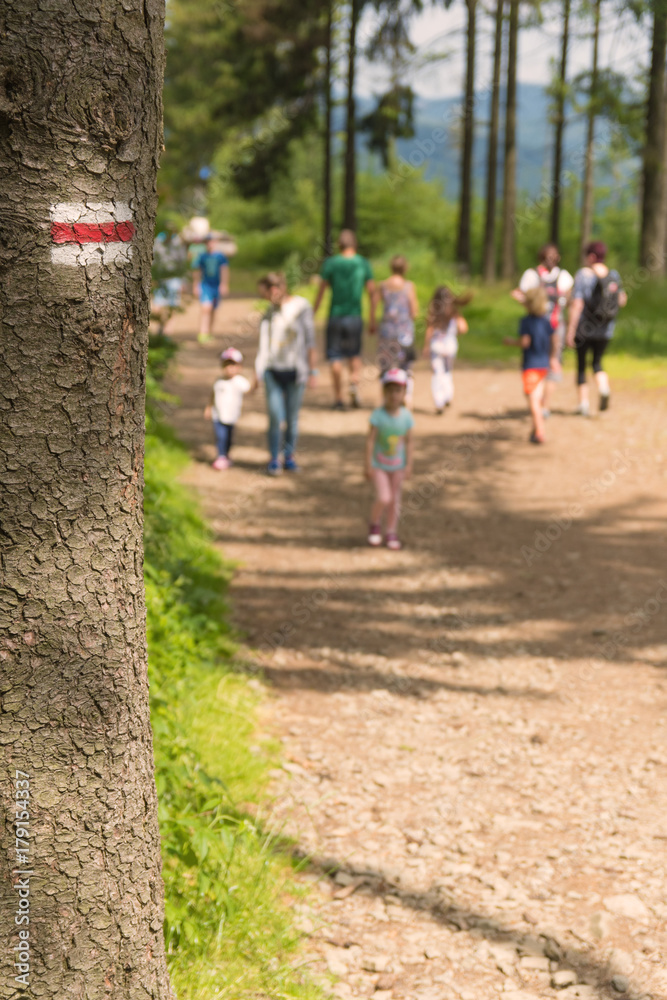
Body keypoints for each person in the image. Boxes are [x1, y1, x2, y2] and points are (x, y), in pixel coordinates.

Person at [255, 272, 318, 476]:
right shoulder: (269, 313)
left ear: (279, 288)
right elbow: (263, 346)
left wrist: (313, 370)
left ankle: (289, 456)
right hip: (273, 371)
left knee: (292, 417)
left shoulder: (302, 307)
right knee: (275, 416)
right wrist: (258, 372)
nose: (268, 297)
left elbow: (310, 340)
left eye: (268, 292)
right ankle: (274, 458)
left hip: (296, 372)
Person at [314, 229, 377, 410]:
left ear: (339, 245)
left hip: (335, 315)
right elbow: (372, 292)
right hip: (355, 316)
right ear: (354, 244)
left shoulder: (331, 263)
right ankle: (354, 383)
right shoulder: (363, 263)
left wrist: (313, 311)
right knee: (354, 354)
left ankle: (338, 399)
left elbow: (321, 290)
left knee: (335, 356)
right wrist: (372, 318)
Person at [511, 244, 573, 417]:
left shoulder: (535, 275)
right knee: (553, 362)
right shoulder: (561, 276)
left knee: (539, 363)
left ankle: (540, 402)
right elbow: (569, 300)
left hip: (538, 326)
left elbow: (519, 294)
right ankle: (543, 404)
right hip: (554, 325)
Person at [565, 241, 626, 416]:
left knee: (582, 366)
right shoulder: (613, 275)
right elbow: (621, 300)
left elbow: (577, 304)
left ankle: (583, 404)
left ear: (591, 256)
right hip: (606, 329)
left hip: (584, 328)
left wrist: (570, 330)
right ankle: (604, 388)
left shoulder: (583, 275)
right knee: (597, 363)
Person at [365, 368, 414, 551]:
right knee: (384, 498)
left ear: (403, 393)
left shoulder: (407, 417)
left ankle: (391, 531)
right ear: (384, 391)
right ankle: (375, 523)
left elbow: (409, 442)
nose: (394, 395)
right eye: (390, 390)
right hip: (379, 465)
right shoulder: (378, 416)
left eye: (398, 390)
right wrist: (368, 464)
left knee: (395, 501)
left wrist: (409, 465)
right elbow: (370, 441)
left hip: (398, 467)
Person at [504, 287, 559, 444]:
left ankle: (540, 431)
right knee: (537, 397)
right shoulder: (546, 321)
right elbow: (554, 339)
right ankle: (535, 429)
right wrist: (553, 358)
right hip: (544, 365)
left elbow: (525, 342)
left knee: (533, 400)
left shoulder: (526, 322)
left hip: (531, 366)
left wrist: (511, 342)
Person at [377, 255, 419, 407]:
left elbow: (375, 305)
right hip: (405, 332)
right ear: (405, 268)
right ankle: (406, 396)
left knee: (385, 365)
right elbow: (414, 311)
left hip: (387, 332)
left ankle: (385, 397)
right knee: (406, 366)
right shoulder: (409, 286)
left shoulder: (382, 285)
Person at [422, 286, 471, 414]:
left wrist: (426, 346)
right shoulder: (454, 313)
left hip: (436, 347)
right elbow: (463, 328)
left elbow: (429, 330)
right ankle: (448, 395)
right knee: (448, 372)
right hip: (450, 347)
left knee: (437, 373)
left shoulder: (433, 313)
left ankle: (439, 401)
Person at [204, 348, 251, 470]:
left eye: (233, 365)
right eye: (227, 365)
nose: (230, 368)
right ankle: (221, 456)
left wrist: (257, 380)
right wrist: (209, 407)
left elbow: (249, 390)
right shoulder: (219, 381)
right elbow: (212, 394)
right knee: (220, 436)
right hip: (218, 415)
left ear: (239, 367)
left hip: (232, 416)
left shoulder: (240, 381)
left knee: (229, 438)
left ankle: (226, 455)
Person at [193, 236, 230, 344]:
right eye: (208, 242)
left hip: (216, 286)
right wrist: (196, 285)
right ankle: (203, 332)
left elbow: (224, 270)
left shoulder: (220, 256)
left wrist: (224, 284)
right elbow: (197, 271)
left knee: (213, 309)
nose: (210, 244)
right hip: (205, 285)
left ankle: (209, 332)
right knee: (206, 308)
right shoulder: (202, 256)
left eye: (212, 242)